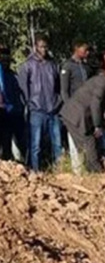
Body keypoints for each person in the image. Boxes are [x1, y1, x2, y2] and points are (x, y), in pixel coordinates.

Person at [60, 64, 105, 173]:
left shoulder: (102, 81)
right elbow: (96, 104)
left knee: (92, 144)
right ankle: (95, 172)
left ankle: (94, 169)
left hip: (79, 116)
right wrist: (97, 126)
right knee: (89, 144)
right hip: (75, 116)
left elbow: (100, 107)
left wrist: (104, 123)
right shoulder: (102, 82)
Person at [18, 35, 63, 172]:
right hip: (36, 110)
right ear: (35, 47)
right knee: (35, 145)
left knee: (57, 144)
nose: (44, 49)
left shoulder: (53, 65)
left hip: (53, 109)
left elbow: (59, 86)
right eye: (41, 46)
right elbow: (23, 88)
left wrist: (58, 102)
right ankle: (35, 171)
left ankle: (59, 170)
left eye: (46, 47)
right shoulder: (27, 65)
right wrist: (29, 105)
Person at [61, 39, 91, 174]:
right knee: (73, 138)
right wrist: (69, 107)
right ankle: (77, 169)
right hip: (74, 109)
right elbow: (64, 90)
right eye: (85, 50)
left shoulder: (86, 67)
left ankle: (88, 166)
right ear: (76, 49)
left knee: (87, 138)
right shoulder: (68, 66)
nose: (87, 52)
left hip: (86, 109)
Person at [0, 44, 26, 162]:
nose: (5, 61)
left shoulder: (13, 75)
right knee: (5, 143)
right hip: (3, 113)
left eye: (7, 59)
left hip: (15, 113)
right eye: (2, 59)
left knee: (22, 142)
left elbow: (19, 93)